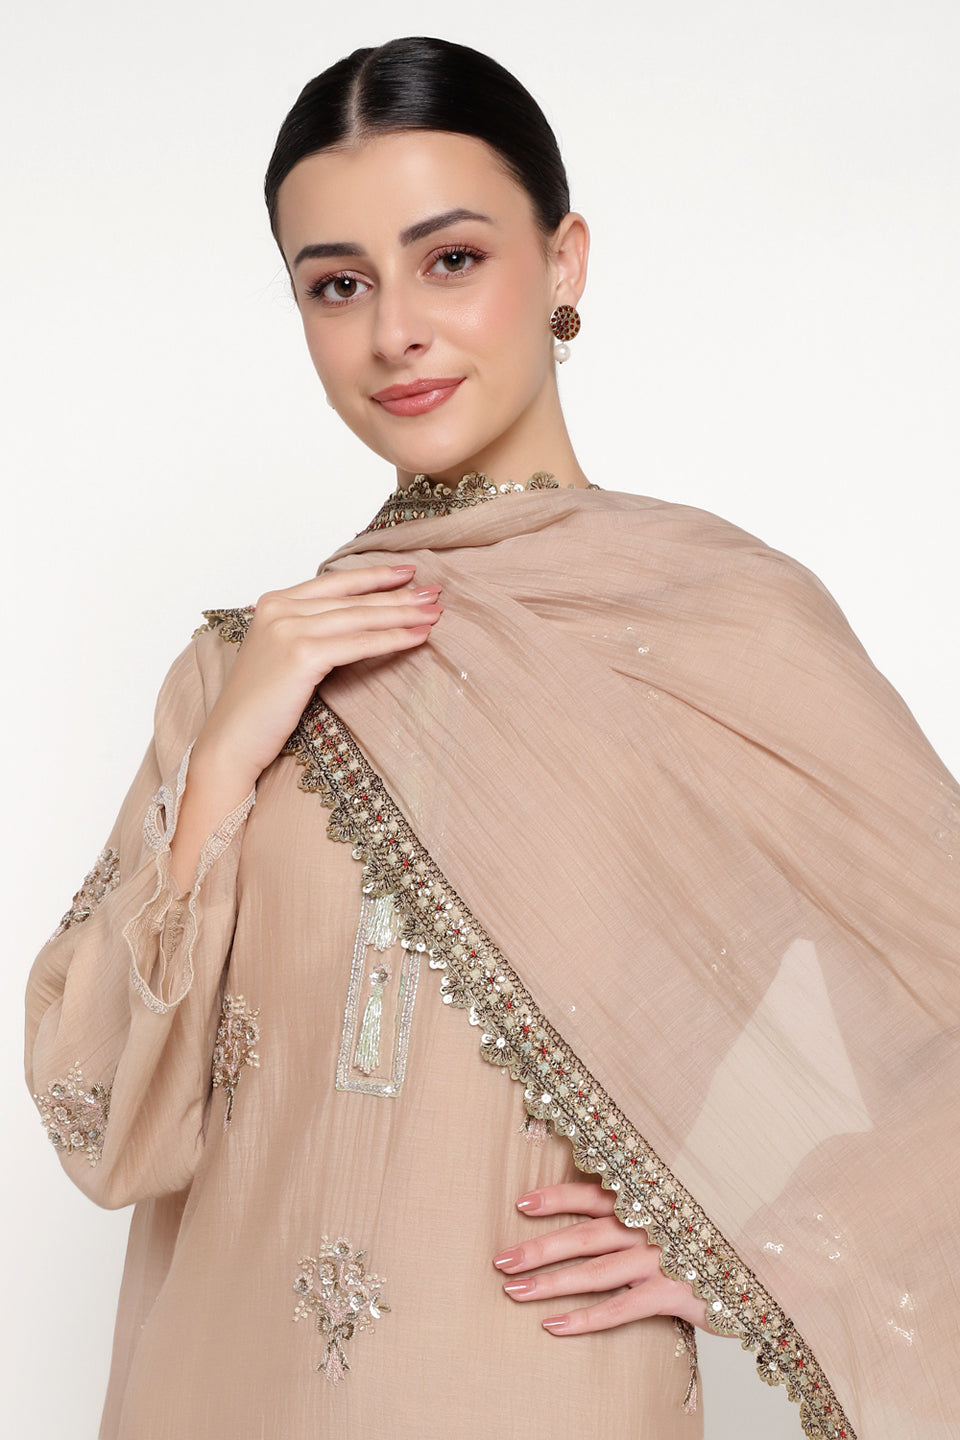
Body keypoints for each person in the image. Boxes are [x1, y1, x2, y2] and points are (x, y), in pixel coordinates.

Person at [23, 35, 959, 1440]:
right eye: (337, 284)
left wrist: (771, 1249)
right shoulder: (238, 665)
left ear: (564, 261)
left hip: (535, 1387)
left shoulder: (714, 624)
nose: (395, 329)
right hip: (215, 1390)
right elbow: (106, 1127)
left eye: (450, 259)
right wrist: (226, 756)